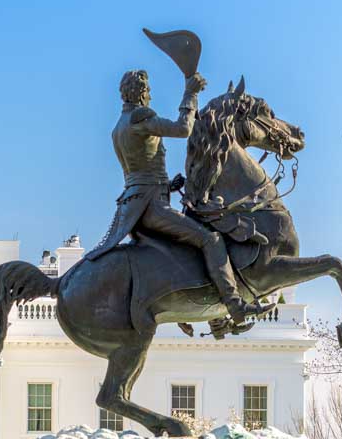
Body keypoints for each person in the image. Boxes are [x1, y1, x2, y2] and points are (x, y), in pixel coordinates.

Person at [85, 68, 267, 324]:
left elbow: (139, 173)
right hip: (150, 207)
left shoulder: (119, 127)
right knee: (211, 239)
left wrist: (169, 185)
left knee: (191, 241)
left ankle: (212, 318)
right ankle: (235, 306)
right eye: (148, 91)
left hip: (136, 203)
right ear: (142, 92)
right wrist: (190, 94)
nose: (149, 96)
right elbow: (183, 128)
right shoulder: (140, 116)